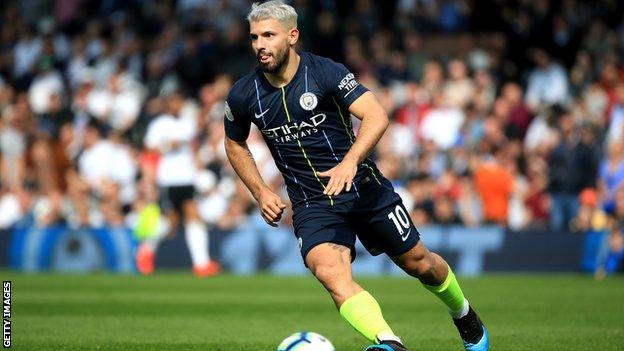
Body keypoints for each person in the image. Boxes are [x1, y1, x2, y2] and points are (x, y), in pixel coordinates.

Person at [223, 2, 488, 350]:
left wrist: (350, 162)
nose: (260, 44)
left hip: (363, 187)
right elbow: (234, 141)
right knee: (330, 273)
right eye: (255, 36)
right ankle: (390, 344)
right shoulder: (244, 93)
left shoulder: (325, 72)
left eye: (268, 35)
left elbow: (376, 114)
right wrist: (260, 191)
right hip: (311, 202)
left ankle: (464, 313)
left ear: (292, 36)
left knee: (421, 264)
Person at [141, 84, 220, 277]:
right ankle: (145, 250)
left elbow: (192, 148)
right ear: (167, 103)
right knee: (170, 223)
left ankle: (201, 264)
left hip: (187, 177)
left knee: (193, 216)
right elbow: (148, 151)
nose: (177, 104)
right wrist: (168, 145)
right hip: (168, 179)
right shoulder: (159, 125)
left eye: (179, 100)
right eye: (173, 100)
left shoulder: (187, 123)